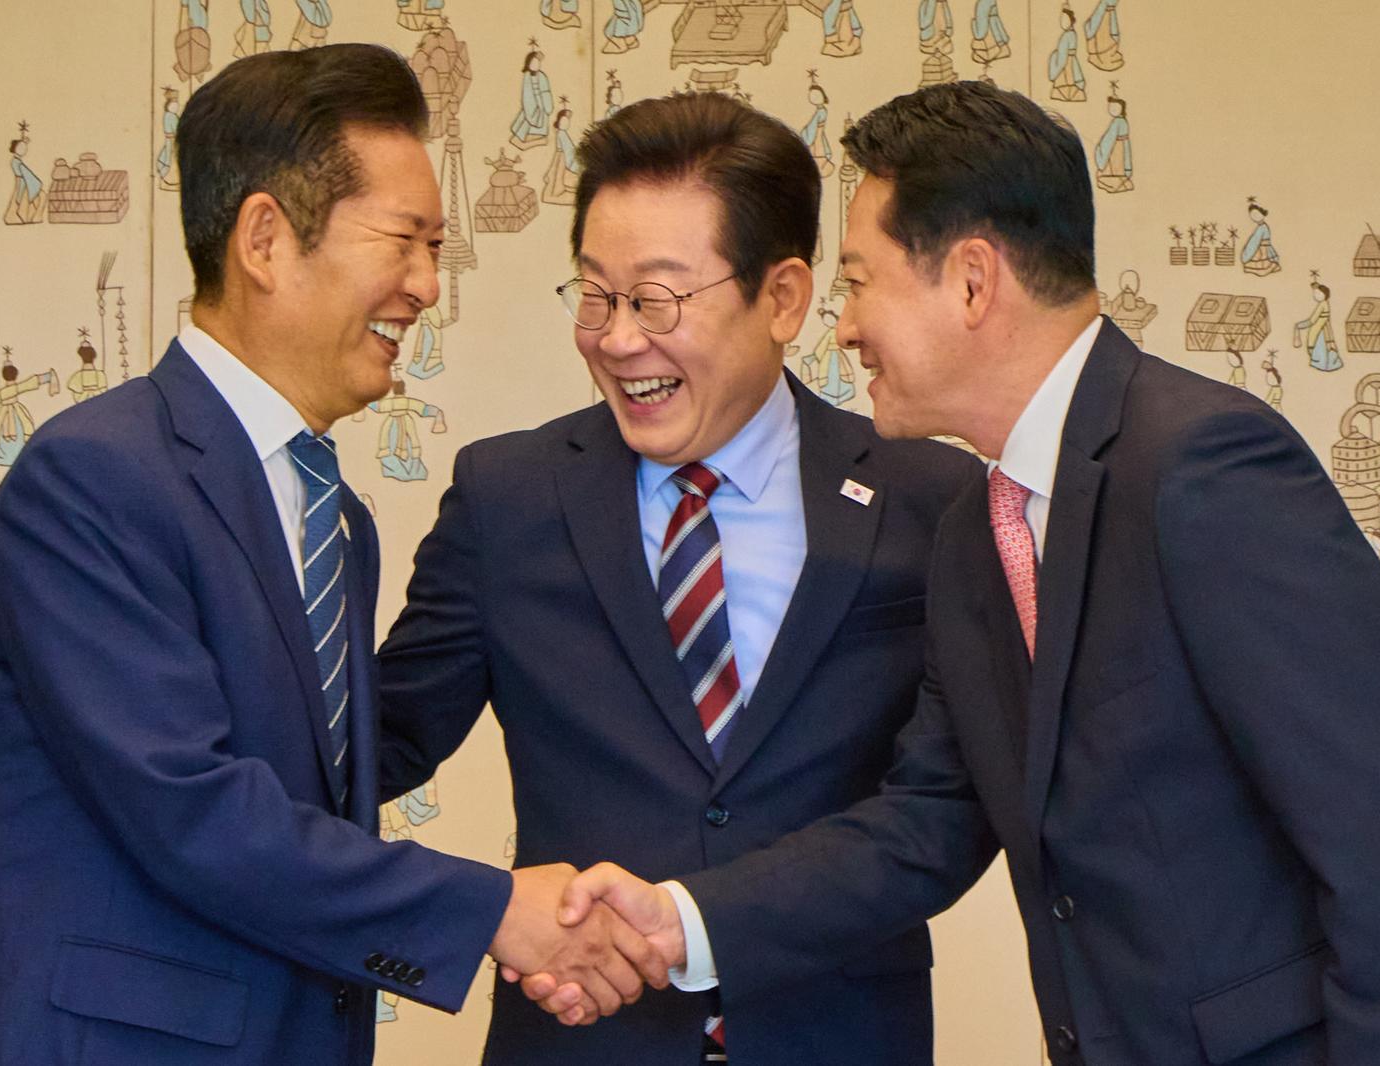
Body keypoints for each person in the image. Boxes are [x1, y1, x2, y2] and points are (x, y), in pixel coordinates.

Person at [535, 81, 1380, 1066]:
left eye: (860, 282)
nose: (843, 329)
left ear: (973, 282)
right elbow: (928, 816)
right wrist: (683, 921)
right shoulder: (976, 534)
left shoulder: (1204, 468)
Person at [0, 44, 663, 1066]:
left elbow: (342, 763)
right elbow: (190, 808)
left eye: (437, 247)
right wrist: (492, 911)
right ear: (264, 239)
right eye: (405, 241)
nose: (427, 286)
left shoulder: (335, 517)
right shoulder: (93, 478)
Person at [377, 91, 978, 1066]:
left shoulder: (929, 499)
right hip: (578, 1041)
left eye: (656, 300)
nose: (618, 340)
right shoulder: (507, 498)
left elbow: (946, 807)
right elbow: (370, 748)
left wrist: (694, 922)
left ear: (782, 298)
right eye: (595, 295)